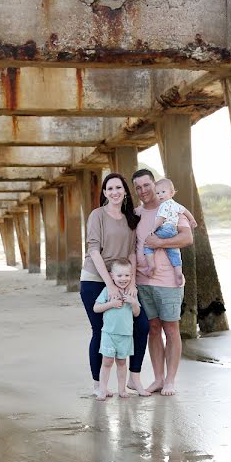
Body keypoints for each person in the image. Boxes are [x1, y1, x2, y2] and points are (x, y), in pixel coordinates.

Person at [80, 172, 152, 397]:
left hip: (122, 279)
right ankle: (98, 385)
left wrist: (131, 284)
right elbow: (93, 249)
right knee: (100, 331)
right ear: (104, 193)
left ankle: (134, 377)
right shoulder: (97, 215)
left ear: (124, 191)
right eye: (110, 189)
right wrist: (109, 285)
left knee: (141, 326)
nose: (114, 192)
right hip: (95, 278)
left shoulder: (130, 218)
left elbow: (131, 252)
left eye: (118, 188)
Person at [131, 169, 194, 396]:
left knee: (171, 328)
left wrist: (158, 243)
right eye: (138, 187)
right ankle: (157, 379)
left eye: (146, 185)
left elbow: (187, 238)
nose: (143, 191)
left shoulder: (171, 208)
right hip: (142, 280)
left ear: (154, 184)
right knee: (153, 329)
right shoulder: (136, 213)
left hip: (168, 280)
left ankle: (170, 380)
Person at [92, 259, 141, 400]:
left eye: (127, 275)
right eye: (119, 275)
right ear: (111, 276)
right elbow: (96, 308)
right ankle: (102, 389)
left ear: (131, 276)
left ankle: (122, 390)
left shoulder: (132, 293)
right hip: (109, 334)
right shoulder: (108, 291)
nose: (123, 279)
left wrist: (133, 303)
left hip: (125, 335)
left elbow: (136, 314)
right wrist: (111, 304)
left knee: (122, 363)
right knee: (107, 362)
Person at [140, 177, 198, 285]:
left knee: (147, 244)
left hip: (165, 228)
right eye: (157, 193)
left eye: (163, 192)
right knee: (173, 250)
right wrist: (192, 219)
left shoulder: (164, 205)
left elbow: (161, 218)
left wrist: (153, 229)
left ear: (171, 192)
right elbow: (185, 211)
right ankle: (178, 272)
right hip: (173, 230)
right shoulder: (176, 205)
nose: (160, 195)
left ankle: (151, 265)